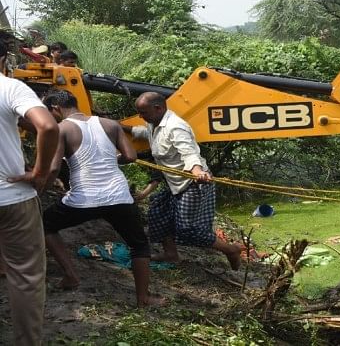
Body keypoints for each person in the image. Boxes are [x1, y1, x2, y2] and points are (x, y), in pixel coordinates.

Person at [41, 90, 162, 307]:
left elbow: (53, 168)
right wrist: (107, 160)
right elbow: (131, 156)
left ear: (56, 109)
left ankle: (70, 276)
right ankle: (144, 298)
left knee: (45, 225)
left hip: (83, 199)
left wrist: (39, 190)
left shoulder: (61, 129)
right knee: (139, 245)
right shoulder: (110, 124)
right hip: (119, 196)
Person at [124, 92, 242, 269]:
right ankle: (171, 254)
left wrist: (197, 171)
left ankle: (230, 250)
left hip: (193, 183)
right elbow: (141, 132)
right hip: (174, 183)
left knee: (188, 230)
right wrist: (118, 126)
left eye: (143, 112)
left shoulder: (176, 127)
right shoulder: (153, 123)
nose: (141, 116)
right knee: (158, 210)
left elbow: (189, 152)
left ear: (158, 108)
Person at [0, 40, 59, 345]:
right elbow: (48, 127)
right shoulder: (9, 87)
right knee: (25, 278)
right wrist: (40, 172)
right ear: (3, 58)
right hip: (12, 196)